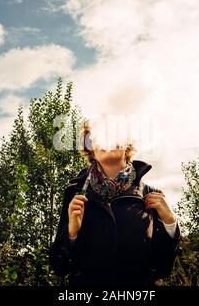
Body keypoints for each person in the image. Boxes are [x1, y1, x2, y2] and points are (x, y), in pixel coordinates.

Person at [49, 119, 180, 286]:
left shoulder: (152, 196)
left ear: (127, 146)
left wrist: (170, 223)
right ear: (91, 150)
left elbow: (162, 268)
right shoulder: (74, 193)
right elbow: (60, 266)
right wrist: (72, 233)